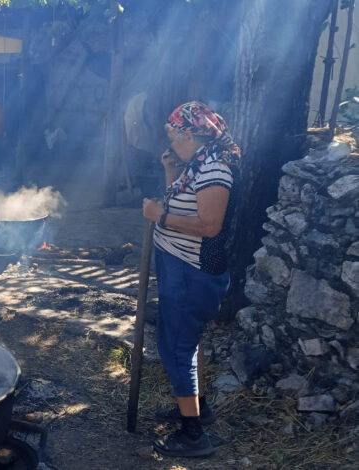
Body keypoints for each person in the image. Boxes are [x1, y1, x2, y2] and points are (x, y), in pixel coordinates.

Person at [142, 101, 240, 458]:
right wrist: (170, 172)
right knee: (187, 342)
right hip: (180, 267)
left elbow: (209, 226)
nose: (170, 143)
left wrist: (159, 217)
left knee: (175, 347)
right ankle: (197, 407)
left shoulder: (215, 169)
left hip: (191, 272)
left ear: (190, 134)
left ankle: (193, 434)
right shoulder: (197, 165)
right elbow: (181, 202)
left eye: (173, 136)